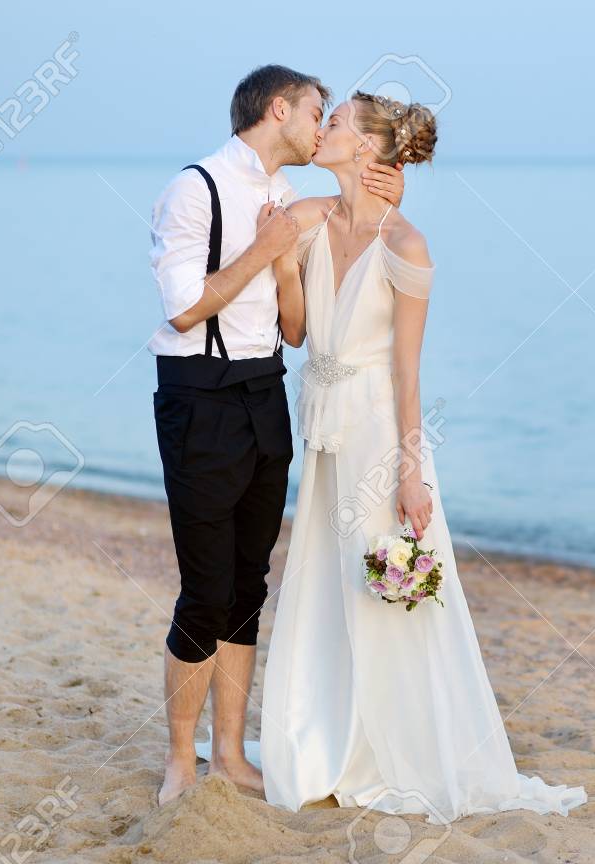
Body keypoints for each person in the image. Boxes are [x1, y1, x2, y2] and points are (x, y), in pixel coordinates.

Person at [258, 91, 587, 822]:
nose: (325, 129)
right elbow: (298, 324)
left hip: (379, 436)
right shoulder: (312, 218)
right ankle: (325, 740)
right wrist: (284, 263)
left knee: (384, 591)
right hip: (322, 433)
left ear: (369, 149)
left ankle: (397, 750)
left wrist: (411, 470)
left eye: (335, 122)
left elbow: (409, 372)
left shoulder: (408, 246)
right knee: (322, 584)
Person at [147, 64, 404, 805]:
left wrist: (383, 194)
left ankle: (229, 753)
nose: (322, 127)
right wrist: (266, 250)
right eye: (317, 112)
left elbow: (295, 328)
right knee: (204, 588)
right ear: (279, 108)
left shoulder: (291, 198)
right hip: (198, 396)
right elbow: (185, 310)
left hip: (266, 394)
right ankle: (178, 758)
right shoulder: (193, 189)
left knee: (248, 588)